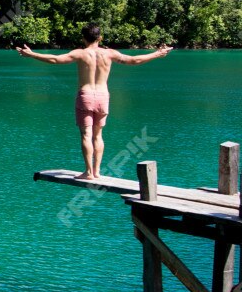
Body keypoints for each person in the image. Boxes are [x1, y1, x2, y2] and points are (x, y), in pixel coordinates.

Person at [15, 24, 172, 178]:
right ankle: (97, 171)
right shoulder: (109, 53)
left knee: (86, 135)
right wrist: (157, 54)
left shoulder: (80, 54)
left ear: (83, 38)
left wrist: (32, 54)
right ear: (100, 37)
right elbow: (134, 60)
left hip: (86, 95)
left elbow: (56, 59)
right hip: (103, 96)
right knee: (98, 135)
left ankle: (88, 172)